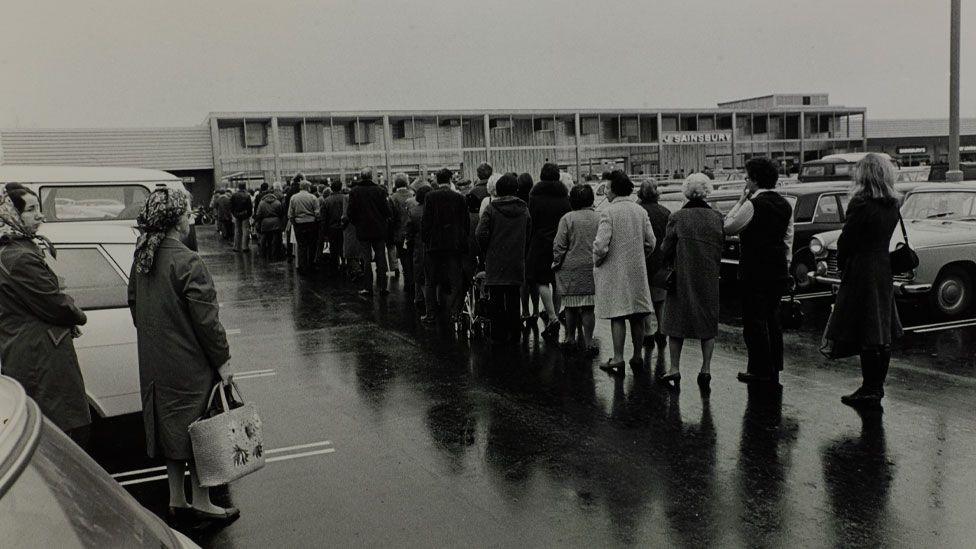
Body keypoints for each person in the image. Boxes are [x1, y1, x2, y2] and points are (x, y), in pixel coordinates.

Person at [127, 188, 238, 522]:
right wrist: (223, 360)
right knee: (198, 430)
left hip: (156, 360)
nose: (192, 218)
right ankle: (202, 502)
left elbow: (134, 306)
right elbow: (207, 321)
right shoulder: (187, 260)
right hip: (189, 362)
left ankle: (177, 499)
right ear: (176, 220)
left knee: (169, 428)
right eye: (188, 213)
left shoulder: (143, 257)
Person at [0, 185, 90, 441]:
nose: (39, 215)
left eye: (39, 208)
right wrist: (77, 313)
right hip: (41, 358)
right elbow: (55, 304)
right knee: (57, 436)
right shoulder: (19, 257)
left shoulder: (15, 250)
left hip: (27, 351)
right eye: (30, 209)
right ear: (11, 214)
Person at [824, 154, 903, 408]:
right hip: (882, 265)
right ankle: (876, 386)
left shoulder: (860, 203)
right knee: (881, 327)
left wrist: (842, 265)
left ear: (864, 175)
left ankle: (869, 388)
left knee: (867, 327)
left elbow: (847, 240)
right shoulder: (893, 204)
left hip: (861, 267)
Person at [724, 157, 794, 386]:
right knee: (773, 318)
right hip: (777, 268)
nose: (746, 181)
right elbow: (788, 240)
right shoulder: (785, 205)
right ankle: (775, 364)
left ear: (754, 180)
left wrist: (741, 200)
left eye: (747, 177)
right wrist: (786, 266)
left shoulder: (753, 204)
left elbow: (729, 226)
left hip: (754, 268)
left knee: (754, 320)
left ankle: (759, 367)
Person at [658, 174, 724, 392]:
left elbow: (666, 249)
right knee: (708, 323)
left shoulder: (678, 217)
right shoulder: (716, 217)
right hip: (708, 276)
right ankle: (706, 370)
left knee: (676, 324)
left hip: (682, 276)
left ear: (686, 192)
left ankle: (674, 368)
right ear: (707, 191)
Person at [593, 171, 655, 376]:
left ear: (615, 190)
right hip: (636, 269)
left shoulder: (608, 213)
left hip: (614, 270)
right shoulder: (640, 211)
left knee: (617, 314)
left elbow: (601, 246)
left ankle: (618, 358)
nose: (606, 192)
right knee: (637, 314)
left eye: (608, 188)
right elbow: (650, 242)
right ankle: (637, 355)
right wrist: (640, 256)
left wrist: (597, 261)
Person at [476, 173, 530, 344]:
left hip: (495, 260)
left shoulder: (491, 209)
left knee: (496, 298)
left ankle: (498, 335)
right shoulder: (524, 209)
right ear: (516, 189)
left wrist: (487, 249)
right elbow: (529, 232)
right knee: (514, 296)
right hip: (516, 260)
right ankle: (515, 333)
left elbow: (480, 233)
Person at [552, 184, 601, 354]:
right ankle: (588, 341)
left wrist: (556, 262)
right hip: (591, 267)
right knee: (588, 307)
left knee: (570, 305)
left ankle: (570, 337)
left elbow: (559, 245)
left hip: (570, 267)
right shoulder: (598, 218)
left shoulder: (567, 218)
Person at [527, 163, 571, 341]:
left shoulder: (535, 197)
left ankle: (552, 317)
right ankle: (555, 311)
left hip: (540, 243)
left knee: (541, 280)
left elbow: (531, 221)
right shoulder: (564, 197)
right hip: (560, 243)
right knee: (557, 280)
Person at [421, 169, 469, 325]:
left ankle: (430, 314)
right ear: (450, 180)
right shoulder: (459, 198)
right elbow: (465, 223)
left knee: (431, 280)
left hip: (434, 245)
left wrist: (426, 240)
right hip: (453, 245)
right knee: (455, 279)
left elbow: (426, 222)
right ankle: (455, 313)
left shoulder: (430, 197)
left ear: (436, 180)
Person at [637, 181, 672, 374]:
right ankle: (662, 331)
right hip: (662, 259)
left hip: (643, 259)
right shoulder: (666, 212)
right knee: (660, 300)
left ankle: (648, 332)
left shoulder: (638, 210)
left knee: (644, 299)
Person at [346, 168, 392, 296]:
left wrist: (358, 223)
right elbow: (387, 211)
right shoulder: (380, 191)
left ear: (361, 176)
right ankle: (383, 287)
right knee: (381, 258)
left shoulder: (355, 192)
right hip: (379, 229)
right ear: (372, 176)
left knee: (366, 259)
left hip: (363, 230)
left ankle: (368, 287)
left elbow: (350, 213)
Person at [515, 173, 538, 324]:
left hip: (521, 242)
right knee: (534, 279)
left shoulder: (517, 201)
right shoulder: (535, 199)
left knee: (523, 279)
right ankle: (536, 309)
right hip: (534, 242)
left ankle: (525, 310)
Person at [406, 184, 431, 309]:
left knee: (419, 273)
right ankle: (429, 300)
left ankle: (419, 298)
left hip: (419, 245)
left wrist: (408, 243)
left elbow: (409, 231)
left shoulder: (413, 211)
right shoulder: (437, 209)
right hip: (433, 245)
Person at [288, 181, 320, 276]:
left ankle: (302, 267)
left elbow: (290, 214)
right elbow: (317, 213)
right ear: (308, 187)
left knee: (302, 246)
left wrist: (295, 224)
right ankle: (311, 265)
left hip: (299, 224)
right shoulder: (313, 197)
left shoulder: (293, 198)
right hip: (311, 224)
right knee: (312, 246)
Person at [318, 180, 346, 277]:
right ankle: (344, 263)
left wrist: (324, 232)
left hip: (332, 229)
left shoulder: (327, 201)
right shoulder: (345, 199)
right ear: (341, 187)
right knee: (343, 246)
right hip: (344, 227)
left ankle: (335, 267)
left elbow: (323, 218)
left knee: (334, 248)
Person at [389, 173, 414, 279]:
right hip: (412, 231)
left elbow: (391, 217)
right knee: (412, 255)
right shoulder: (412, 195)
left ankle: (408, 279)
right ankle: (413, 278)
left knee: (403, 257)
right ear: (406, 183)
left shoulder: (393, 198)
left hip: (399, 232)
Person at [253, 190, 285, 261]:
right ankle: (274, 256)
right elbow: (281, 213)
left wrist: (258, 221)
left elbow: (258, 214)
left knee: (264, 240)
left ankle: (264, 255)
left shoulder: (261, 203)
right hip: (276, 223)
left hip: (265, 223)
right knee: (275, 240)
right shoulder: (277, 202)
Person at [230, 182, 253, 252]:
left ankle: (237, 247)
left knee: (237, 230)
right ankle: (245, 247)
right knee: (245, 230)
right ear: (245, 187)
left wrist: (234, 213)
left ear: (238, 187)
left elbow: (231, 205)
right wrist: (249, 214)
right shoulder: (247, 195)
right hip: (245, 215)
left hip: (236, 214)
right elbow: (250, 207)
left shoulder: (234, 195)